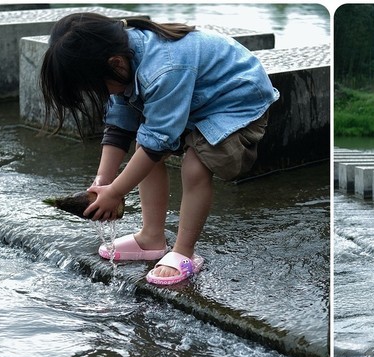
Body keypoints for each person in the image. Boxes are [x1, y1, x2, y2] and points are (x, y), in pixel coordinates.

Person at [40, 13, 280, 285]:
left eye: (100, 88)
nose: (104, 95)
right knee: (144, 149)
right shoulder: (121, 58)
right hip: (198, 100)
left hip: (237, 103)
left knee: (194, 165)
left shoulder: (164, 69)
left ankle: (184, 251)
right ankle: (151, 237)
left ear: (115, 64)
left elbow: (160, 141)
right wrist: (103, 182)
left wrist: (117, 191)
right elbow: (120, 125)